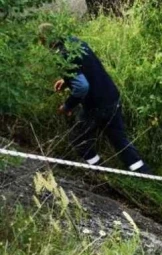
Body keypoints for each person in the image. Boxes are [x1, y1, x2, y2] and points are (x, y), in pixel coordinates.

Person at [38, 23, 151, 174]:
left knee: (78, 140)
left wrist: (67, 106)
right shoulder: (75, 42)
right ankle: (145, 175)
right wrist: (67, 81)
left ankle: (101, 174)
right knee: (120, 142)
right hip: (111, 96)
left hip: (96, 106)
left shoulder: (62, 55)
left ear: (44, 40)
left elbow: (82, 87)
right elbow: (86, 67)